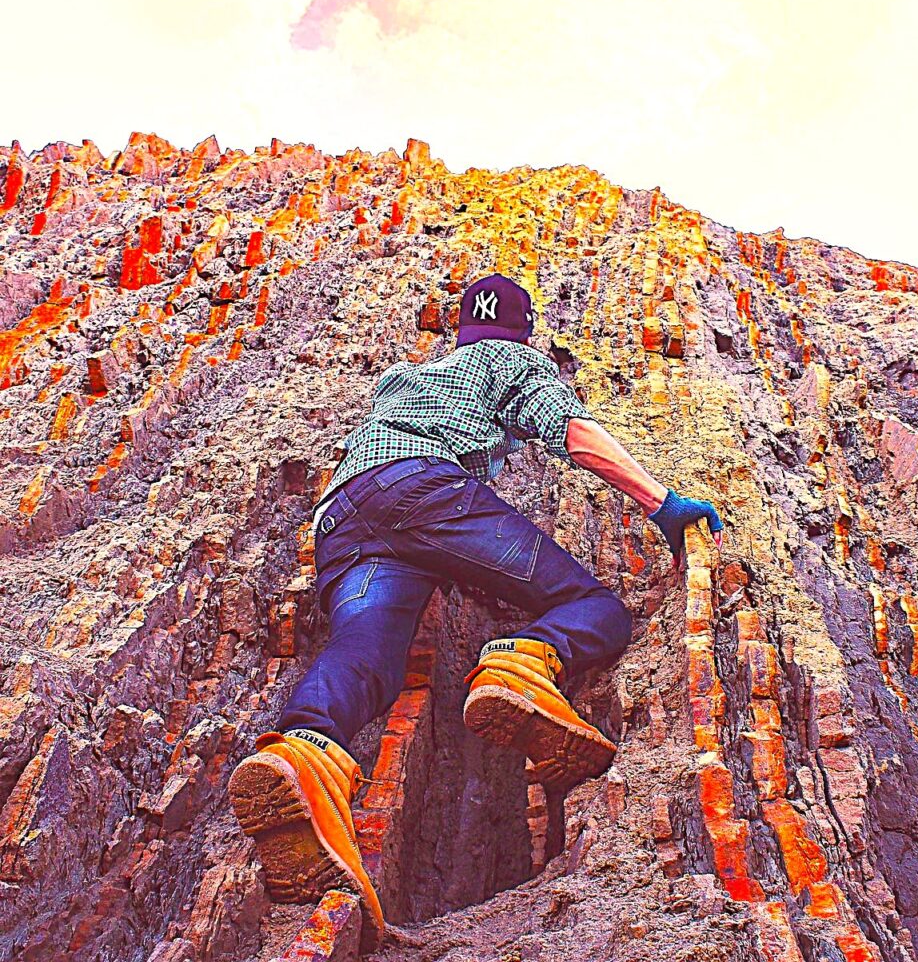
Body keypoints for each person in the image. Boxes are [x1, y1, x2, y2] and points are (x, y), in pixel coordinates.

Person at [228, 273, 723, 950]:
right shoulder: (512, 360)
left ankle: (304, 754)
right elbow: (571, 432)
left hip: (343, 515)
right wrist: (662, 504)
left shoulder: (406, 378)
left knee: (366, 655)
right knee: (592, 606)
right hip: (424, 489)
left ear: (461, 328)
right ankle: (521, 664)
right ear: (521, 331)